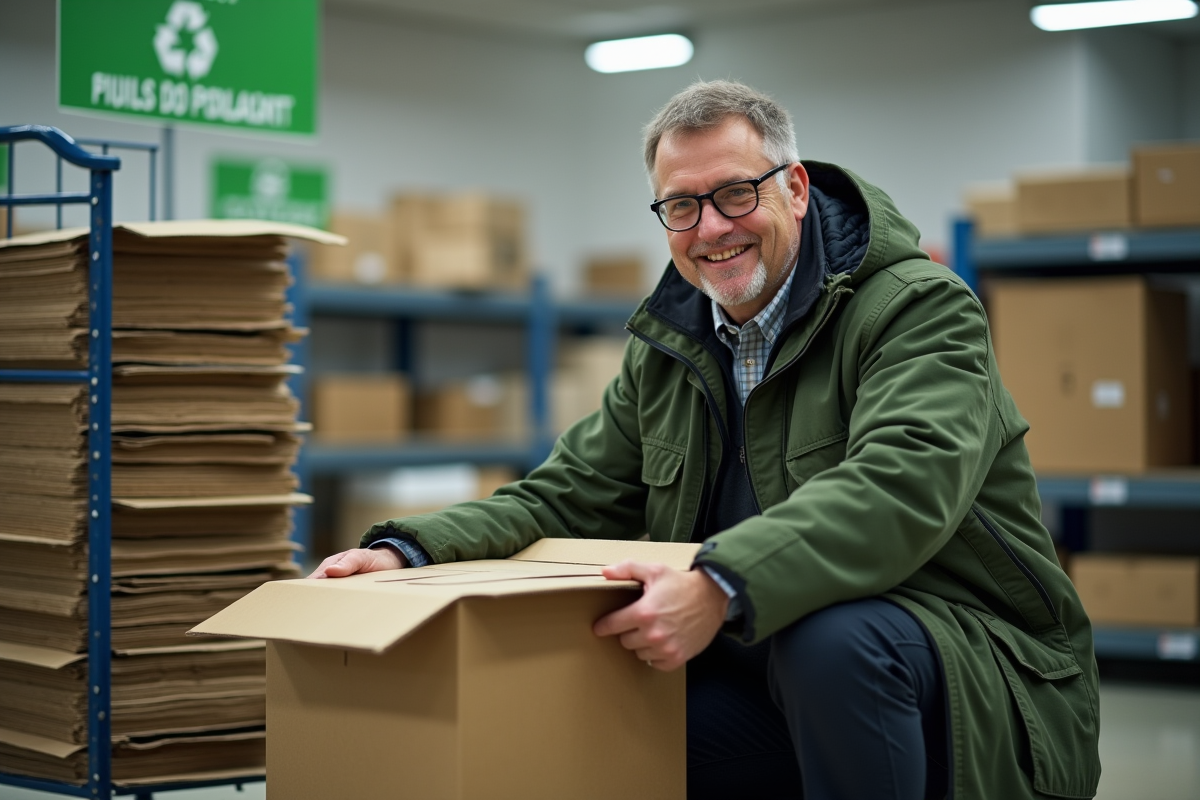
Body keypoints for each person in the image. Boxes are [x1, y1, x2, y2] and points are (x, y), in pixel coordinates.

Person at [310, 80, 1100, 800]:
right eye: (681, 207)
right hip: (765, 662)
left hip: (970, 661)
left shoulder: (917, 309)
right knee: (619, 709)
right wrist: (408, 552)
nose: (711, 228)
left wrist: (722, 584)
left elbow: (902, 485)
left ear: (794, 189)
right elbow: (567, 494)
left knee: (832, 642)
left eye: (733, 193)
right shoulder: (672, 345)